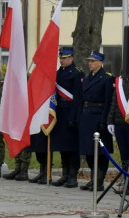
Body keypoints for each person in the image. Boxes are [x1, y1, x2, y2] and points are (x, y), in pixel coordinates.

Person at [76, 53, 114, 191]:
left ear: (100, 63)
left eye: (93, 61)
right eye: (89, 61)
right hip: (87, 116)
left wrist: (105, 120)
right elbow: (81, 99)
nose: (90, 63)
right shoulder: (86, 78)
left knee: (101, 151)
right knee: (88, 150)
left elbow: (109, 101)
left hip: (99, 115)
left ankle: (99, 179)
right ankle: (93, 178)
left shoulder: (107, 79)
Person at [49, 47, 83, 188]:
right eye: (60, 58)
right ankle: (65, 173)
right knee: (62, 146)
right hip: (60, 113)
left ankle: (72, 176)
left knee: (72, 147)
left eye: (65, 58)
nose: (62, 60)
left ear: (72, 58)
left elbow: (78, 98)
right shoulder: (57, 74)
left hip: (70, 112)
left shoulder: (77, 74)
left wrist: (74, 117)